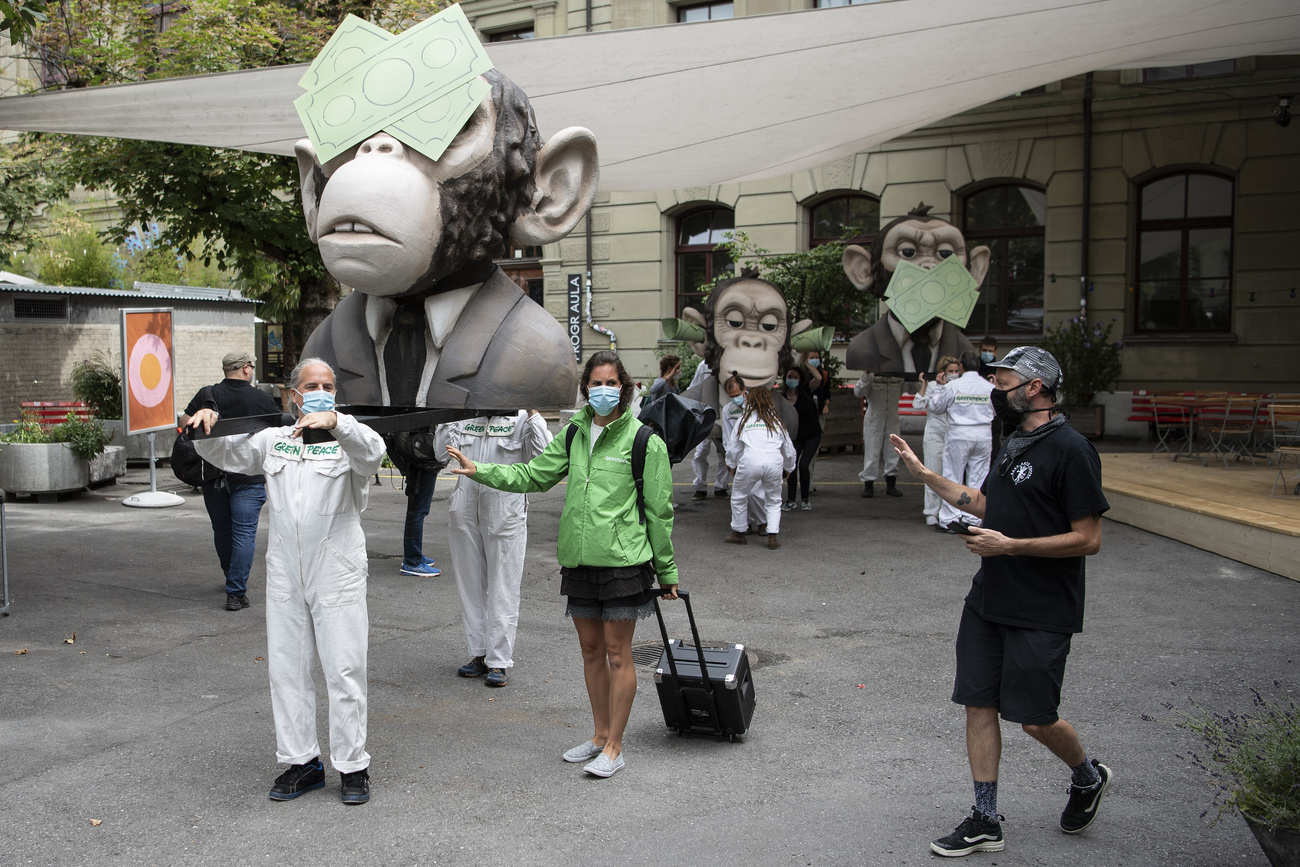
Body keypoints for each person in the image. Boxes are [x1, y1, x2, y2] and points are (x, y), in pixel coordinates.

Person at [889, 345, 1112, 858]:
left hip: (1043, 605)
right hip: (990, 597)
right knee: (979, 702)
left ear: (1034, 388)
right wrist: (926, 476)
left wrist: (1011, 545)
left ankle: (1087, 774)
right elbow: (987, 504)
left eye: (1004, 380)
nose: (995, 390)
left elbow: (1089, 538)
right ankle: (985, 817)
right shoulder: (1013, 441)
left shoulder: (1073, 450)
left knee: (1034, 717)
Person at [443, 350, 679, 779]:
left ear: (623, 388)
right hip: (579, 560)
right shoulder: (573, 433)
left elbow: (659, 513)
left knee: (616, 654)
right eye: (596, 383)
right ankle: (598, 734)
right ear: (585, 388)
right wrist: (480, 470)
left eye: (611, 383)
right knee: (591, 652)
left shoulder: (645, 440)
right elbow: (533, 475)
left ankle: (616, 746)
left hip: (624, 563)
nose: (603, 390)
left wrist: (667, 574)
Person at [188, 358, 386, 806]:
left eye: (329, 385)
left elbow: (372, 452)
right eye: (311, 385)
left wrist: (337, 422)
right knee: (287, 669)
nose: (320, 391)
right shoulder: (274, 440)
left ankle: (353, 766)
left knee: (344, 668)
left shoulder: (347, 440)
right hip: (285, 571)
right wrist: (206, 427)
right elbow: (227, 454)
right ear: (293, 394)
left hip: (336, 569)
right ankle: (303, 763)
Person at [433, 411, 552, 687]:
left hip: (505, 511)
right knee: (470, 585)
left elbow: (545, 456)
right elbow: (439, 453)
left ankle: (499, 660)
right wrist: (450, 411)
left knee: (504, 585)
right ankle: (478, 652)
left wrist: (533, 413)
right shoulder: (464, 416)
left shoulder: (522, 418)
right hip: (465, 509)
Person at [180, 350, 282, 611]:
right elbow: (278, 434)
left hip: (213, 476)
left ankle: (231, 576)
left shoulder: (207, 394)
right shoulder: (261, 398)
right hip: (249, 477)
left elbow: (184, 424)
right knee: (244, 533)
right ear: (247, 369)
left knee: (222, 530)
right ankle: (235, 592)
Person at [930, 352, 995, 531]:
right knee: (979, 477)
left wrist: (939, 387)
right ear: (979, 367)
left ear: (961, 367)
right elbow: (997, 411)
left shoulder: (953, 386)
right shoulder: (988, 387)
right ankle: (973, 519)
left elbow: (935, 407)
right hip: (983, 434)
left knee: (952, 477)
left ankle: (949, 519)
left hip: (959, 434)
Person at [724, 385, 795, 549]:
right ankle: (772, 536)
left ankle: (739, 532)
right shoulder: (776, 422)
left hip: (750, 460)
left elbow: (734, 447)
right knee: (774, 500)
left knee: (739, 496)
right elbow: (789, 450)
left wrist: (731, 464)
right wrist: (789, 468)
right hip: (774, 461)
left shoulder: (744, 421)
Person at [912, 356, 961, 530]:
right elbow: (917, 404)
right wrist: (924, 384)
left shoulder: (959, 386)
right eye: (950, 371)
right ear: (942, 372)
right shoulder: (933, 386)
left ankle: (948, 511)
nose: (954, 374)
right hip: (934, 435)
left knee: (951, 476)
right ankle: (931, 511)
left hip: (953, 435)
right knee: (933, 472)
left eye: (956, 371)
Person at [387, 428, 442, 578]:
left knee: (417, 511)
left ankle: (414, 556)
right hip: (420, 460)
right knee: (417, 512)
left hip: (417, 457)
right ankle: (413, 561)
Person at [853, 370, 904, 498]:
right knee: (872, 452)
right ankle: (868, 484)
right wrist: (866, 374)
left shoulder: (899, 376)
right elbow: (858, 392)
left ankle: (891, 484)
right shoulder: (870, 375)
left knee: (893, 451)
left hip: (892, 418)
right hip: (874, 420)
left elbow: (912, 389)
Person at [687, 360, 731, 501]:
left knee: (724, 453)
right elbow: (695, 386)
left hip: (725, 414)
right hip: (705, 415)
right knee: (701, 452)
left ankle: (721, 486)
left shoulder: (729, 364)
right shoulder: (704, 365)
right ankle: (700, 486)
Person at [781, 367, 821, 511]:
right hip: (793, 436)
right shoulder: (782, 398)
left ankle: (805, 499)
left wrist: (805, 362)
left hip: (811, 435)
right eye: (789, 376)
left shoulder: (807, 391)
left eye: (795, 377)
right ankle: (791, 499)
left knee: (804, 465)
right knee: (791, 466)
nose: (792, 379)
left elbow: (819, 378)